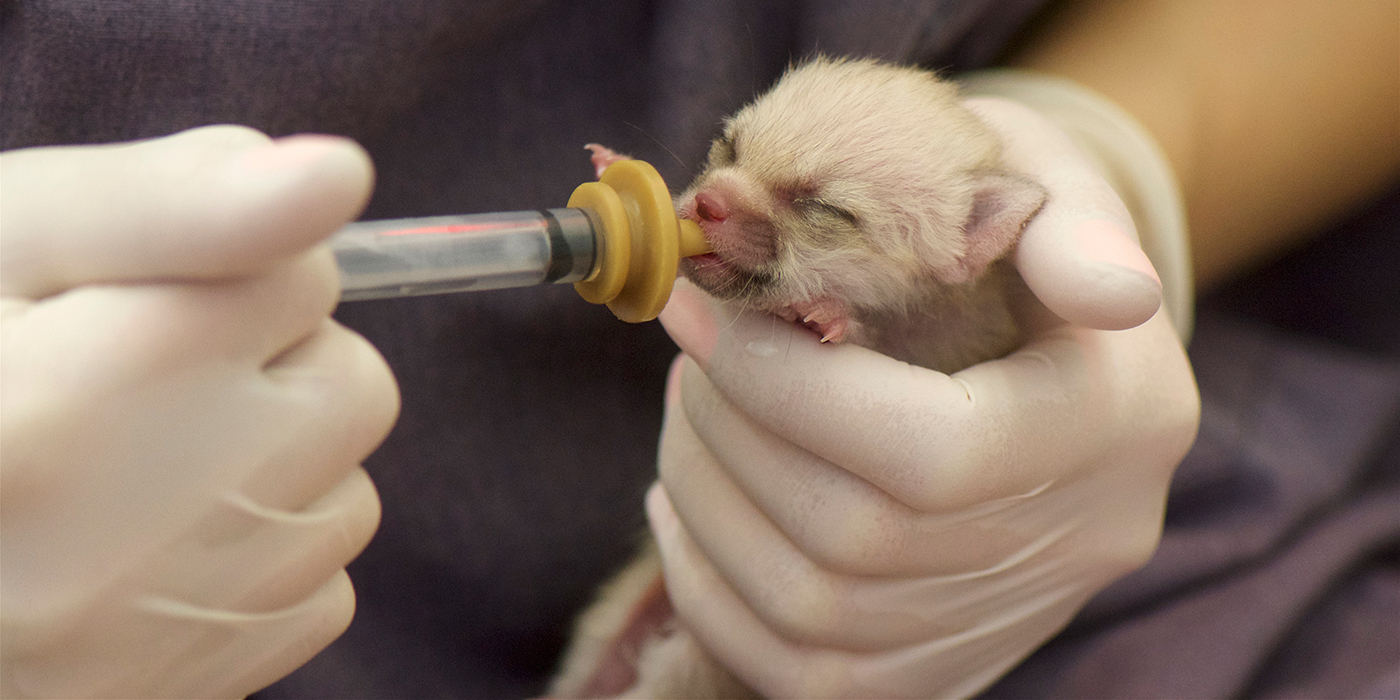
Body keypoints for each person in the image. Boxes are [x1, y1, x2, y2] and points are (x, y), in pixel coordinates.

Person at [0, 1, 1395, 698]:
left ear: (976, 241)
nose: (714, 200)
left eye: (819, 209)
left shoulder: (972, 247)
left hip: (1172, 586)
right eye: (726, 155)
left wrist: (1137, 147)